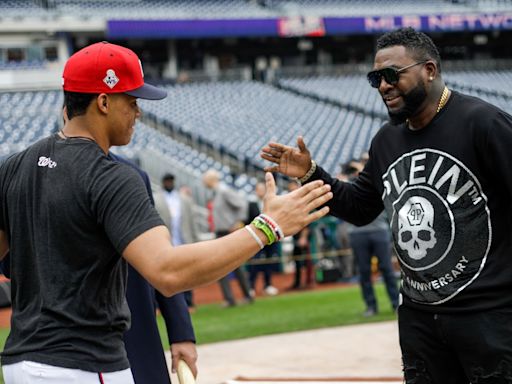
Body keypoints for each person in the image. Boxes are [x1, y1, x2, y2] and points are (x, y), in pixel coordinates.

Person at [0, 41, 333, 383]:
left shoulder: (15, 165)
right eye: (131, 102)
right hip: (84, 364)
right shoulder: (111, 175)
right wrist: (267, 227)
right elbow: (167, 271)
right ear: (103, 102)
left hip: (20, 361)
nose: (138, 112)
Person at [261, 27, 512, 384]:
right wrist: (311, 173)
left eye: (392, 75)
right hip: (420, 318)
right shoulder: (387, 139)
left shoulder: (483, 123)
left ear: (430, 70)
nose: (383, 86)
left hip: (488, 315)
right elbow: (360, 208)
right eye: (376, 78)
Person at [110, 156, 197, 384]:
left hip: (136, 328)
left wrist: (180, 332)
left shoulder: (132, 174)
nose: (137, 117)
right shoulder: (30, 170)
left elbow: (160, 256)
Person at [343, 159, 399, 317]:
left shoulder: (376, 180)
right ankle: (371, 306)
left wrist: (362, 171)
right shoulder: (349, 185)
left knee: (387, 270)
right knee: (364, 272)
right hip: (357, 233)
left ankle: (396, 304)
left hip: (379, 231)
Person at [202, 169, 254, 307]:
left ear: (211, 179)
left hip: (228, 232)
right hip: (220, 233)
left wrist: (238, 222)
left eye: (205, 179)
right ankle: (230, 299)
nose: (203, 182)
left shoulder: (223, 191)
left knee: (236, 265)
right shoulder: (214, 194)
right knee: (222, 267)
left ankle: (246, 295)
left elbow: (242, 205)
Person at [154, 173, 200, 310]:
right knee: (163, 275)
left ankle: (189, 302)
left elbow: (192, 222)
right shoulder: (157, 198)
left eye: (171, 181)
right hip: (166, 241)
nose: (169, 183)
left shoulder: (184, 199)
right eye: (167, 181)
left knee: (187, 274)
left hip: (183, 240)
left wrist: (195, 240)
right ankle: (161, 305)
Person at [246, 181, 279, 296]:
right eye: (258, 189)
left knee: (269, 262)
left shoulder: (271, 203)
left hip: (271, 238)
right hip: (256, 239)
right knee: (255, 263)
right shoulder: (251, 204)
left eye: (262, 189)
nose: (260, 191)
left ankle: (268, 285)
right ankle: (251, 287)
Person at [287, 180, 315, 290]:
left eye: (293, 187)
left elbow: (307, 222)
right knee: (297, 260)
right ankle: (298, 283)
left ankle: (308, 282)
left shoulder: (304, 200)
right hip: (296, 234)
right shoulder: (292, 201)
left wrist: (303, 237)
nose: (291, 190)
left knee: (307, 260)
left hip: (305, 235)